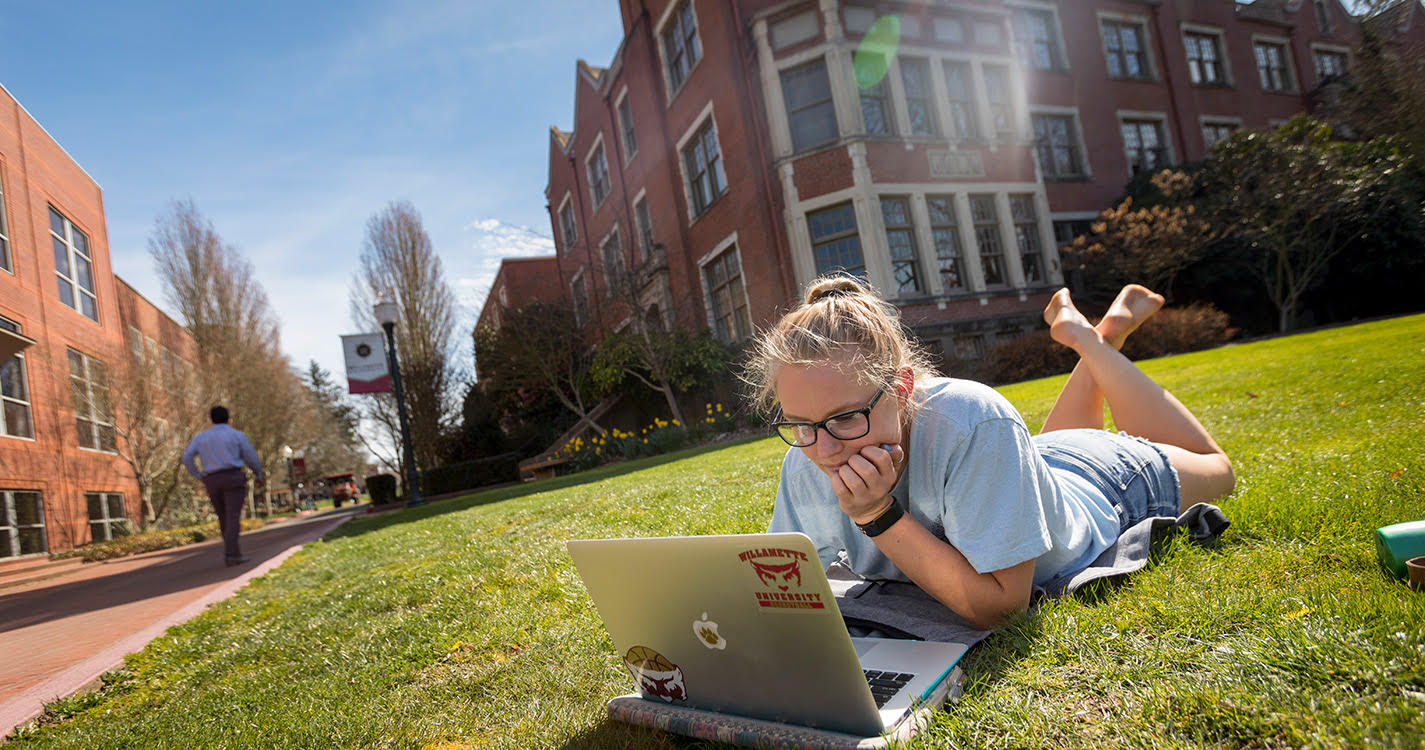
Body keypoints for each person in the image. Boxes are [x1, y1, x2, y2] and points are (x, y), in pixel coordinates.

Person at [746, 275, 1234, 630]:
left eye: (847, 417)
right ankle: (1098, 338)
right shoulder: (806, 454)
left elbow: (1002, 608)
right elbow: (787, 590)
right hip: (1026, 467)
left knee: (1221, 470)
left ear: (902, 388)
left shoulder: (974, 420)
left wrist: (877, 514)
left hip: (1109, 482)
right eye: (801, 425)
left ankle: (1090, 340)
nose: (824, 449)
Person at [181, 405, 264, 566]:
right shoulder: (236, 435)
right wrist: (257, 473)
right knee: (233, 516)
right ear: (229, 418)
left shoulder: (201, 437)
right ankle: (232, 554)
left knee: (223, 517)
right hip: (232, 477)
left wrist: (199, 475)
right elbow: (250, 456)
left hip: (211, 479)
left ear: (211, 419)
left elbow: (187, 457)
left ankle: (232, 552)